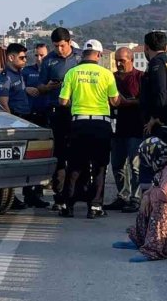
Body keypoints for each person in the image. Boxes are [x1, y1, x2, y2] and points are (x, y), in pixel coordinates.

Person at [58, 39, 120, 218]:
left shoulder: (72, 73)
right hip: (101, 124)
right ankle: (95, 207)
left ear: (83, 54)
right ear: (99, 55)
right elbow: (115, 100)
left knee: (75, 166)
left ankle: (68, 206)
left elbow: (62, 101)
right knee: (100, 167)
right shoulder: (106, 74)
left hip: (78, 123)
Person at [26, 28, 80, 210]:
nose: (60, 50)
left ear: (70, 42)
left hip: (76, 111)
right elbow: (39, 87)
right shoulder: (49, 61)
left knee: (77, 154)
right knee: (59, 155)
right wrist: (47, 87)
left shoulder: (79, 58)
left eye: (62, 46)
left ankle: (76, 193)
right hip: (56, 112)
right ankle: (59, 196)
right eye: (56, 46)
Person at [105, 46, 143, 213]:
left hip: (135, 128)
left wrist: (127, 102)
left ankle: (136, 198)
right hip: (115, 129)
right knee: (117, 165)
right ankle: (122, 196)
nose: (119, 64)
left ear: (131, 60)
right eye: (117, 61)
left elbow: (144, 100)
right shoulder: (111, 78)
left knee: (135, 166)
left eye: (122, 60)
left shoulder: (141, 77)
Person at [0, 42, 31, 210]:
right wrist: (11, 124)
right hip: (15, 121)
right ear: (11, 57)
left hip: (24, 120)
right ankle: (11, 197)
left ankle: (29, 194)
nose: (25, 60)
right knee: (14, 161)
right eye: (22, 57)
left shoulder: (19, 74)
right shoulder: (6, 77)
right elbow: (4, 103)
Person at [140, 30, 167, 149]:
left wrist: (155, 117)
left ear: (146, 47)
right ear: (165, 46)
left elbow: (160, 91)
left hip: (159, 125)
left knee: (154, 163)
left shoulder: (156, 64)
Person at [20, 43, 50, 208]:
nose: (39, 59)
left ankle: (38, 192)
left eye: (43, 56)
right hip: (30, 118)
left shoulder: (51, 71)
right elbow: (16, 87)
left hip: (47, 117)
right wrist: (26, 89)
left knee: (42, 157)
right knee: (29, 156)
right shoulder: (26, 72)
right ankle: (28, 193)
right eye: (37, 55)